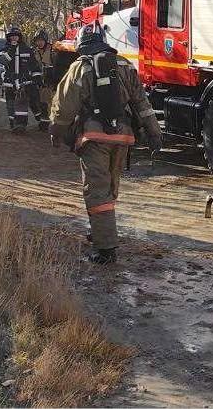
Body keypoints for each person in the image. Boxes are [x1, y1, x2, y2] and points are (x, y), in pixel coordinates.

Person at [49, 23, 162, 264]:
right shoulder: (123, 65)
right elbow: (142, 103)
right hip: (123, 137)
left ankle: (106, 248)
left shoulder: (80, 67)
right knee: (109, 187)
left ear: (81, 44)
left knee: (97, 190)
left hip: (94, 138)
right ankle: (101, 230)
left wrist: (56, 131)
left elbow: (64, 105)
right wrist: (154, 133)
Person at [0, 27, 47, 133]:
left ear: (20, 37)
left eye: (16, 36)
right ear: (8, 38)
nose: (14, 38)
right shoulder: (5, 50)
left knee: (30, 103)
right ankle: (13, 124)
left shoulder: (27, 50)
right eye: (12, 36)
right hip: (10, 82)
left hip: (25, 82)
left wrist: (37, 78)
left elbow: (34, 65)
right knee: (11, 105)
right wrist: (12, 49)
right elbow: (3, 61)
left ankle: (27, 124)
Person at [31, 29, 56, 111]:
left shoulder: (53, 50)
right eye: (38, 40)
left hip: (50, 82)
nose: (39, 42)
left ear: (45, 40)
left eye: (41, 40)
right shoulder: (34, 52)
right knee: (39, 103)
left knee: (49, 103)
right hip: (38, 82)